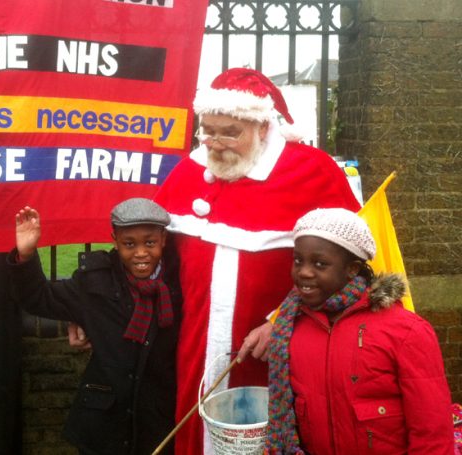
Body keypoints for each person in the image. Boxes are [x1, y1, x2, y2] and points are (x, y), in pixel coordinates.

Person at [152, 67, 362, 454]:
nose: (214, 143)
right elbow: (145, 251)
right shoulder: (190, 170)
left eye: (230, 132)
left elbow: (351, 269)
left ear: (263, 127)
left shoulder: (311, 171)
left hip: (280, 343)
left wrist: (280, 320)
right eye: (207, 130)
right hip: (195, 342)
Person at [266, 208, 454, 454]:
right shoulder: (289, 327)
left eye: (320, 263)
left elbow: (432, 432)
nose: (304, 271)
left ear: (352, 269)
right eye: (298, 260)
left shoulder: (407, 332)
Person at [8, 198, 181, 455]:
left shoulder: (180, 284)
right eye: (129, 244)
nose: (141, 253)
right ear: (115, 241)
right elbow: (38, 298)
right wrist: (26, 254)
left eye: (150, 243)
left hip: (157, 420)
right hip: (104, 423)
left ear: (163, 240)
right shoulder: (94, 283)